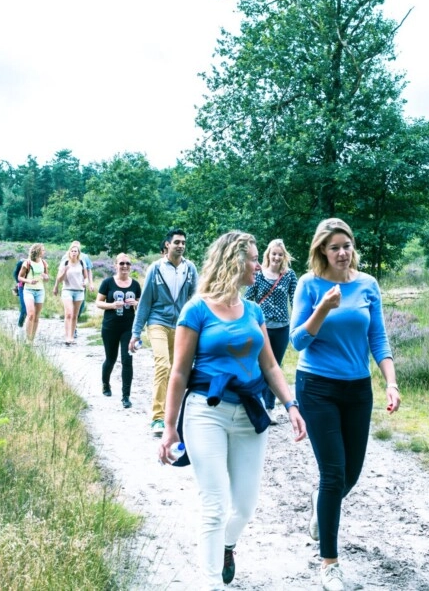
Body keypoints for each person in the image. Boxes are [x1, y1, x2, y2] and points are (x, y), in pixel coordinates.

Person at [158, 231, 307, 590]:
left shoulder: (253, 310)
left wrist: (291, 405)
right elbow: (178, 372)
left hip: (249, 413)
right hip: (205, 412)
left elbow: (270, 366)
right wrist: (169, 427)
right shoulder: (196, 310)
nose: (259, 265)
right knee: (215, 504)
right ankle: (211, 584)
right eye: (254, 258)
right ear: (233, 261)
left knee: (243, 507)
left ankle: (227, 546)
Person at [290, 218, 400, 591]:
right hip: (317, 387)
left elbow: (379, 339)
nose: (342, 252)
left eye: (347, 245)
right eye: (334, 246)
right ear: (322, 249)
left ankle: (322, 503)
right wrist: (322, 308)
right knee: (334, 472)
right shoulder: (309, 284)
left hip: (358, 389)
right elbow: (297, 342)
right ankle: (329, 563)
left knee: (351, 473)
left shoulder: (368, 284)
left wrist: (391, 382)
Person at [130, 228, 199, 436]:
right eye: (177, 242)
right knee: (163, 365)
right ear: (167, 244)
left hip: (180, 326)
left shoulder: (190, 269)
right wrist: (136, 332)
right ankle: (158, 418)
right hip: (157, 322)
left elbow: (195, 301)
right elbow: (145, 302)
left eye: (183, 243)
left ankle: (171, 415)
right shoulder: (156, 268)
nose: (180, 246)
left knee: (176, 370)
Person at [244, 238, 298, 418]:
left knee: (275, 365)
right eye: (274, 254)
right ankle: (256, 401)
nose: (276, 257)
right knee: (259, 365)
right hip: (261, 326)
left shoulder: (289, 275)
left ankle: (270, 407)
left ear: (284, 257)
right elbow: (248, 298)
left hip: (282, 327)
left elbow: (295, 300)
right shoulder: (258, 275)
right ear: (268, 254)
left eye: (280, 255)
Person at [96, 253, 141, 407]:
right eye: (121, 263)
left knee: (127, 360)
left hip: (128, 328)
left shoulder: (135, 284)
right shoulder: (107, 282)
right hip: (110, 327)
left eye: (128, 263)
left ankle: (126, 396)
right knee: (111, 359)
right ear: (116, 265)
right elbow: (98, 302)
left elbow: (142, 304)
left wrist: (135, 302)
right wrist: (112, 305)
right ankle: (106, 384)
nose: (125, 266)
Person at [53, 241, 90, 345]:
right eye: (72, 251)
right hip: (67, 290)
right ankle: (67, 337)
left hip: (79, 291)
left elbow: (86, 277)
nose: (74, 252)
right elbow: (59, 279)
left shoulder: (82, 262)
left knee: (75, 315)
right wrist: (64, 271)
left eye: (76, 251)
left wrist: (85, 283)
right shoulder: (65, 263)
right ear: (69, 252)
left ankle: (72, 336)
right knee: (68, 313)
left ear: (78, 253)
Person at [60, 241, 94, 338]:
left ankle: (74, 327)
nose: (75, 251)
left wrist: (90, 283)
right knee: (69, 311)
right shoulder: (65, 257)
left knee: (79, 309)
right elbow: (61, 271)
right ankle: (70, 332)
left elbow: (89, 270)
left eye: (77, 249)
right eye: (73, 248)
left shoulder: (85, 258)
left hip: (80, 286)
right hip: (68, 288)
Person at [18, 243, 49, 343]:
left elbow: (47, 278)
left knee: (36, 316)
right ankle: (27, 340)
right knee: (30, 314)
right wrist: (29, 281)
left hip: (40, 291)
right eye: (43, 250)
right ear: (37, 251)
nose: (44, 252)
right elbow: (20, 277)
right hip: (28, 290)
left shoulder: (44, 263)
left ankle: (32, 339)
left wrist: (46, 277)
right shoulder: (27, 263)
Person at [13, 257, 27, 327]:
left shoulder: (37, 263)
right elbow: (15, 274)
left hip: (33, 288)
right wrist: (19, 283)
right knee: (24, 309)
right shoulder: (21, 263)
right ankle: (20, 325)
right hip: (22, 287)